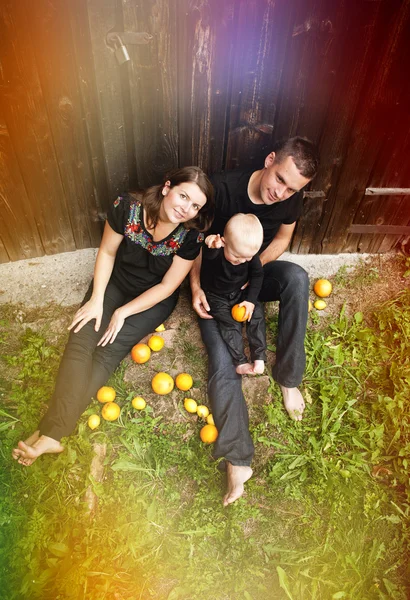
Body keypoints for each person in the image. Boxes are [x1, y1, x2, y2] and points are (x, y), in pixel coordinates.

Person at [12, 167, 214, 466]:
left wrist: (123, 312)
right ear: (166, 187)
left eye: (195, 205)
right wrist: (97, 300)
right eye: (183, 196)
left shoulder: (190, 235)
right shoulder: (128, 207)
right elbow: (107, 253)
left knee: (108, 350)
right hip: (115, 283)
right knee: (82, 338)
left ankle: (50, 431)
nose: (186, 208)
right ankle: (52, 433)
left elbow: (167, 286)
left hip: (152, 300)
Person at [190, 137, 319, 506]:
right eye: (279, 179)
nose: (281, 192)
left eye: (292, 188)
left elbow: (283, 237)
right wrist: (197, 285)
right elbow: (196, 243)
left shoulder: (290, 196)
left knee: (296, 277)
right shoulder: (225, 188)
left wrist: (253, 271)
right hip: (215, 286)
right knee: (221, 354)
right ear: (270, 159)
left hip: (251, 280)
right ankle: (237, 458)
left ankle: (289, 378)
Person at [201, 213, 266, 375]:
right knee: (230, 324)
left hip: (239, 292)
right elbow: (207, 259)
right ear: (224, 242)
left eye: (247, 258)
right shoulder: (217, 251)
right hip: (215, 296)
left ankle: (259, 354)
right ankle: (240, 361)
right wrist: (210, 246)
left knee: (256, 313)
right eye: (237, 256)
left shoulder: (248, 256)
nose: (242, 261)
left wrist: (250, 301)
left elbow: (257, 275)